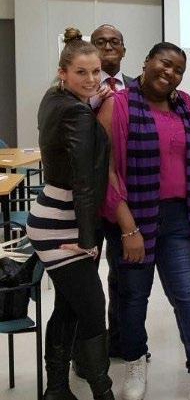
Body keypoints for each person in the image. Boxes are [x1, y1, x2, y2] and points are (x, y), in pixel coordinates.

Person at [98, 42, 190, 400]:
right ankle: (135, 362)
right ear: (147, 62)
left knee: (187, 294)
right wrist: (128, 227)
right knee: (134, 297)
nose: (170, 73)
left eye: (178, 69)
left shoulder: (184, 104)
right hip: (136, 215)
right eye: (165, 64)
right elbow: (106, 170)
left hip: (180, 216)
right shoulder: (118, 104)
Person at [28, 27, 115, 400]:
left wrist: (93, 105)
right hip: (63, 225)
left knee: (68, 306)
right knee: (94, 311)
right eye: (82, 72)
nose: (92, 79)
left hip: (50, 211)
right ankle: (102, 392)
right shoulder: (77, 113)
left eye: (96, 72)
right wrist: (87, 239)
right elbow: (84, 182)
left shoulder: (54, 98)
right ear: (64, 72)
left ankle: (57, 389)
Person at [88, 23, 136, 360]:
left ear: (123, 49)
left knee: (125, 277)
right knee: (85, 282)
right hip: (87, 200)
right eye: (100, 42)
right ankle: (87, 353)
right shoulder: (76, 89)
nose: (108, 47)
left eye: (114, 42)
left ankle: (121, 342)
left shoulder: (136, 88)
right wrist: (92, 101)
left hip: (124, 196)